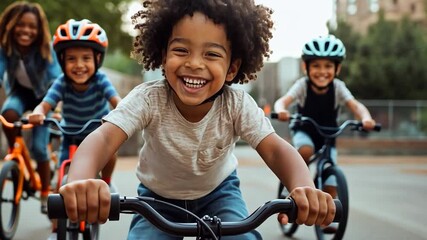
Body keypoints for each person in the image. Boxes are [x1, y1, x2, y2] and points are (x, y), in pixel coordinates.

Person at [58, 1, 336, 239]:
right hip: (156, 199)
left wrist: (303, 188)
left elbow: (275, 149)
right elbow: (104, 137)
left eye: (212, 54)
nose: (194, 63)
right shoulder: (148, 98)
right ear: (163, 55)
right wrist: (79, 180)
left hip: (220, 194)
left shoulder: (236, 104)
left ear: (232, 68)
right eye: (181, 50)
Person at [273, 34, 376, 232]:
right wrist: (282, 110)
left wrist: (366, 118)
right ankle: (290, 184)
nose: (322, 71)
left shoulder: (338, 87)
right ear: (306, 67)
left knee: (332, 182)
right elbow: (283, 101)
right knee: (305, 150)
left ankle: (325, 219)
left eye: (328, 66)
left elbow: (355, 105)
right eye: (316, 66)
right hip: (305, 129)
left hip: (328, 134)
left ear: (337, 69)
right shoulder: (302, 86)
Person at [0, 1, 62, 214]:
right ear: (12, 25)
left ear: (38, 30)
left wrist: (52, 106)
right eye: (21, 25)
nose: (26, 30)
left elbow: (56, 78)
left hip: (44, 97)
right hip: (20, 93)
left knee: (38, 146)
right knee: (7, 114)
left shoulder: (46, 47)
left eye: (32, 27)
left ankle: (45, 190)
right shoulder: (5, 47)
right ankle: (16, 157)